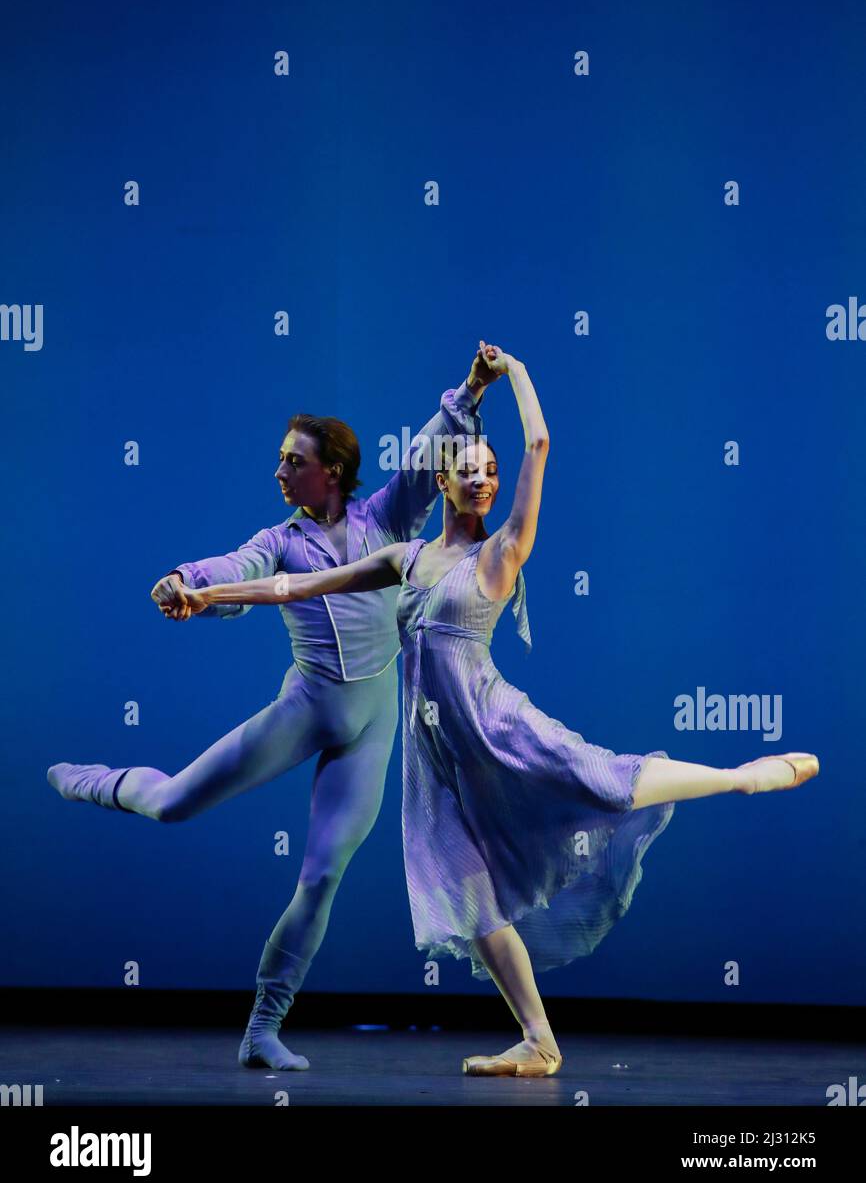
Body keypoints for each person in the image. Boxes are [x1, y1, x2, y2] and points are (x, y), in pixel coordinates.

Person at [168, 343, 820, 1079]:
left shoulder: (504, 549)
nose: (481, 482)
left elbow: (538, 441)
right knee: (471, 900)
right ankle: (539, 1040)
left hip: (494, 722)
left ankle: (741, 776)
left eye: (490, 474)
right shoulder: (406, 558)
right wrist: (205, 594)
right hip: (436, 756)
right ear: (442, 480)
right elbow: (293, 589)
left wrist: (513, 375)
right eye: (468, 472)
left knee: (606, 780)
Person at [47, 344, 502, 1071]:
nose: (280, 471)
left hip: (374, 718)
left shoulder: (386, 518)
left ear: (333, 472)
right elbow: (234, 571)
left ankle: (263, 1025)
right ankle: (93, 780)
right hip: (310, 706)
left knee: (322, 873)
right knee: (170, 805)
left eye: (293, 460)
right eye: (282, 459)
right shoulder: (278, 541)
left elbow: (428, 455)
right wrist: (183, 581)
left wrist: (472, 388)